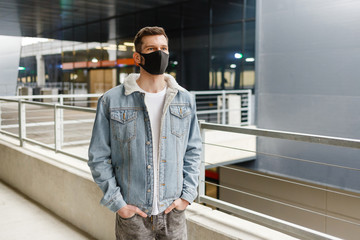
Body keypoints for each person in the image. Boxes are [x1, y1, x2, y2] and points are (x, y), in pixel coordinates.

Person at [88, 26, 202, 240]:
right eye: (151, 49)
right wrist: (119, 205)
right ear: (137, 57)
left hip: (173, 213)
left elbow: (193, 150)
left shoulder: (185, 100)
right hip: (133, 215)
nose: (159, 53)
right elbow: (98, 157)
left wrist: (186, 197)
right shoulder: (111, 101)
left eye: (163, 48)